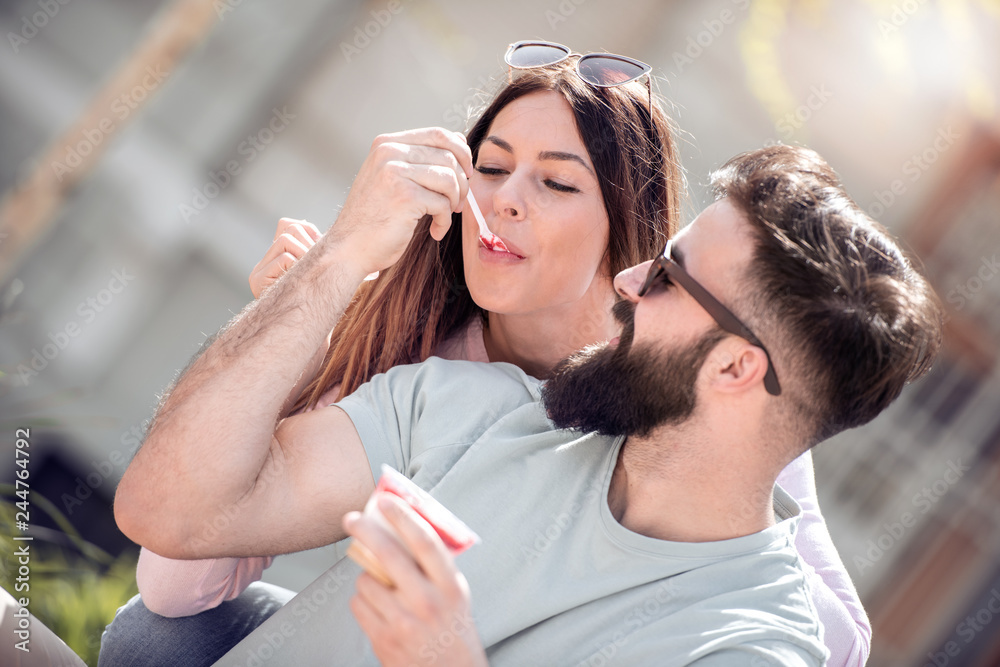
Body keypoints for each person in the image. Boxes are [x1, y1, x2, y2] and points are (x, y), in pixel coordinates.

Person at [100, 44, 869, 665]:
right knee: (151, 637)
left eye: (557, 182)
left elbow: (832, 639)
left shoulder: (689, 386)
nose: (503, 199)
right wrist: (298, 326)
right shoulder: (424, 361)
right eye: (491, 167)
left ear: (623, 228)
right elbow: (178, 566)